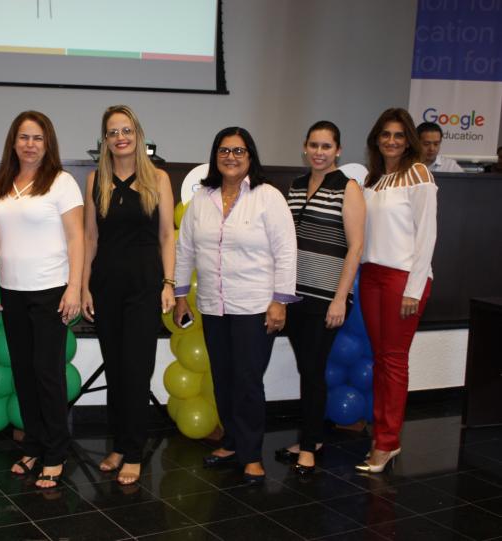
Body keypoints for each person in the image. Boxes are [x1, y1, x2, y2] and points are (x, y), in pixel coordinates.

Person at [173, 127, 297, 485]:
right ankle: (231, 441)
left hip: (255, 307)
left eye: (238, 151)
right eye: (224, 150)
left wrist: (280, 301)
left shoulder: (268, 197)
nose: (231, 157)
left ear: (250, 156)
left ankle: (252, 454)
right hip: (214, 306)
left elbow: (286, 251)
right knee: (223, 379)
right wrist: (180, 295)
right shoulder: (202, 199)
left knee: (247, 381)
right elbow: (185, 249)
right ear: (215, 157)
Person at [0, 111, 84, 489]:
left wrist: (75, 287)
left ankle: (56, 452)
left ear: (48, 143)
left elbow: (76, 238)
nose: (30, 144)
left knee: (47, 373)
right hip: (12, 292)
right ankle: (35, 445)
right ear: (13, 142)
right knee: (24, 373)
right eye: (23, 137)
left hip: (51, 291)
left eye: (37, 138)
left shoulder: (62, 182)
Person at [81, 105, 175, 485]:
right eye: (113, 132)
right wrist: (84, 286)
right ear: (105, 140)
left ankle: (134, 452)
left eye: (126, 130)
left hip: (144, 286)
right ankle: (119, 445)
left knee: (136, 371)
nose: (120, 137)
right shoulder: (95, 180)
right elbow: (90, 238)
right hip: (105, 286)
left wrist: (169, 284)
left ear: (137, 134)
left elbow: (167, 236)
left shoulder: (158, 178)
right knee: (116, 370)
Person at [275, 121, 365, 474]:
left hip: (328, 297)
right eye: (314, 145)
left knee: (313, 370)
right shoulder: (296, 186)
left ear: (338, 150)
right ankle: (310, 438)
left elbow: (356, 247)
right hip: (296, 296)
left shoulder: (348, 187)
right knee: (306, 368)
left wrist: (341, 298)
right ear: (305, 147)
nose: (319, 152)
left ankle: (310, 446)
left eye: (326, 146)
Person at [357, 108, 437, 473]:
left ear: (409, 141)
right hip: (371, 275)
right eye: (385, 134)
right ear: (376, 139)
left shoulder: (418, 175)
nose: (391, 141)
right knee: (381, 359)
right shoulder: (373, 180)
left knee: (393, 360)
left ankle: (387, 442)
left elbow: (427, 236)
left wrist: (413, 290)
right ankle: (382, 436)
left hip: (403, 279)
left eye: (399, 135)